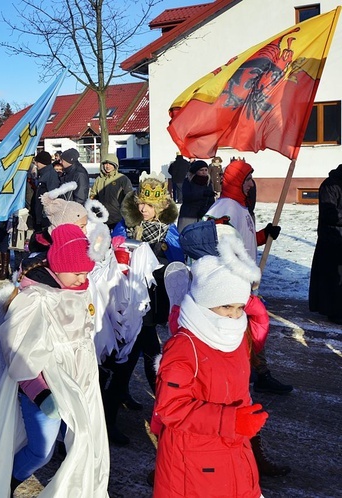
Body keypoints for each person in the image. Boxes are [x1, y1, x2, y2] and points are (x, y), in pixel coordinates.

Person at [0, 224, 109, 497]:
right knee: (42, 450)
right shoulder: (36, 298)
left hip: (79, 383)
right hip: (43, 388)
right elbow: (17, 348)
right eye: (77, 272)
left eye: (86, 272)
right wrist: (40, 393)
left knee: (85, 443)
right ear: (59, 266)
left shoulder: (80, 289)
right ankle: (6, 483)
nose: (82, 278)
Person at [152, 251, 265, 498]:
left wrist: (244, 418)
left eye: (239, 307)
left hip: (233, 449)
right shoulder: (184, 346)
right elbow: (170, 407)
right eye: (226, 306)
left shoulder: (235, 338)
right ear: (205, 301)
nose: (234, 315)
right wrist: (231, 420)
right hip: (194, 462)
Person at [108, 172, 184, 445]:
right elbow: (113, 255)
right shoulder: (123, 226)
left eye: (150, 206)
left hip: (151, 301)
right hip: (126, 301)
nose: (143, 209)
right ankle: (110, 419)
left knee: (145, 354)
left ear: (160, 207)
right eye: (141, 203)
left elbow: (177, 262)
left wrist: (162, 252)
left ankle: (158, 411)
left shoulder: (168, 229)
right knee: (133, 357)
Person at [204, 159, 292, 395]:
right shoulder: (224, 208)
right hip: (231, 285)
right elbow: (216, 243)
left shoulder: (241, 208)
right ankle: (236, 379)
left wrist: (264, 235)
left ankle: (257, 374)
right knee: (241, 331)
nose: (252, 184)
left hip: (245, 284)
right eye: (249, 180)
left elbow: (244, 242)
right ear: (238, 182)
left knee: (251, 329)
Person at [309, 164, 342, 324]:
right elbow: (330, 215)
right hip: (332, 240)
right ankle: (334, 312)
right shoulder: (330, 185)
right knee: (333, 278)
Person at [89, 156, 133, 230]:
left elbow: (129, 197)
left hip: (117, 218)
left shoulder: (122, 179)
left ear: (115, 165)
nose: (107, 166)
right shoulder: (99, 179)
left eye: (110, 164)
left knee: (116, 240)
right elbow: (93, 195)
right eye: (105, 164)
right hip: (101, 217)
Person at [177, 159, 215, 232]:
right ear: (196, 171)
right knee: (185, 233)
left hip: (202, 214)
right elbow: (187, 196)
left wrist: (206, 209)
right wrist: (203, 193)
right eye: (201, 170)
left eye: (206, 170)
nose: (204, 172)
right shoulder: (188, 181)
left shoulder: (208, 181)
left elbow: (211, 200)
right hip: (188, 213)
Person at [29, 151, 60, 231]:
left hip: (46, 216)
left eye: (37, 162)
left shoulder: (50, 175)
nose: (36, 164)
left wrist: (45, 214)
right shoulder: (43, 173)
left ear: (42, 162)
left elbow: (52, 195)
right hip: (41, 215)